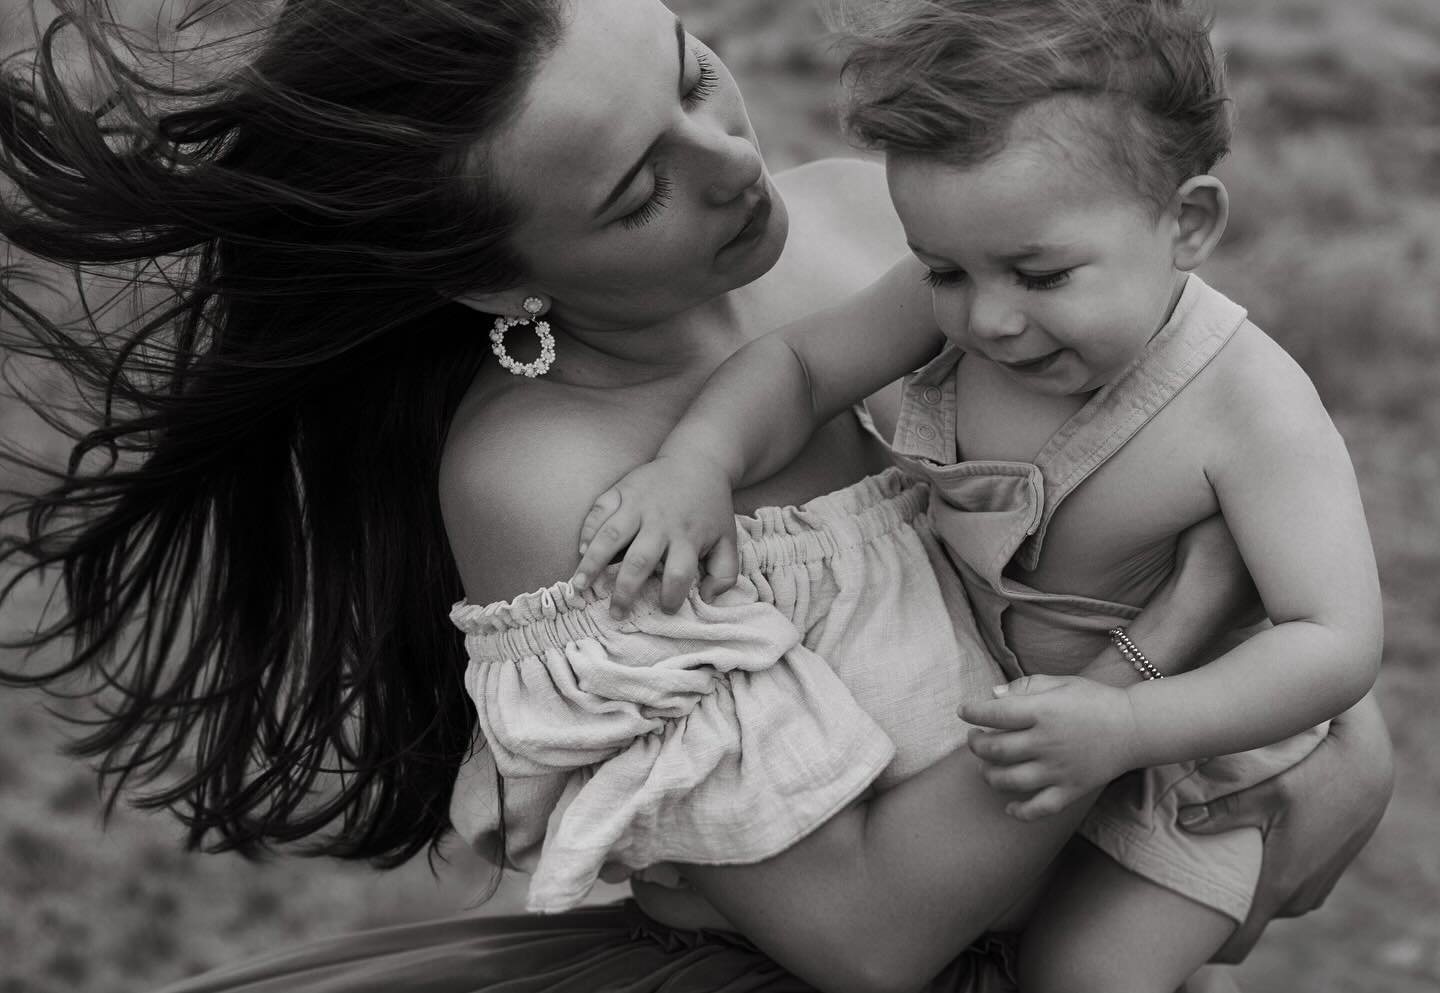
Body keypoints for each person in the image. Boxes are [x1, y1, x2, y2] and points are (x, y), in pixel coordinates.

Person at [0, 0, 1391, 991]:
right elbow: (866, 941)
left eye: (692, 74)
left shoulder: (879, 226)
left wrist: (1338, 742)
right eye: (633, 190)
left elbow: (1198, 440)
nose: (734, 164)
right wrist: (1163, 640)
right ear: (501, 281)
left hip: (1113, 861)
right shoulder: (554, 481)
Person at [569, 1, 1385, 990]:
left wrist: (1125, 729)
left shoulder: (1251, 409)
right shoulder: (958, 309)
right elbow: (797, 369)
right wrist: (699, 461)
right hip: (1002, 752)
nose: (989, 318)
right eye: (944, 268)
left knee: (1085, 975)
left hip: (1186, 760)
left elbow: (1331, 638)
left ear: (1190, 224)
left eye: (1041, 275)